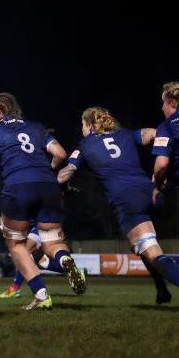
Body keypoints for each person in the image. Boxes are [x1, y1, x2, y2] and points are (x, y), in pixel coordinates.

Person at [0, 93, 85, 311]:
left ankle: (42, 296)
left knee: (16, 243)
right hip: (48, 187)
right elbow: (60, 153)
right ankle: (63, 260)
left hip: (18, 186)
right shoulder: (35, 127)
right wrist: (47, 172)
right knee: (51, 241)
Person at [58, 107, 179, 304]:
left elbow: (67, 172)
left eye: (82, 124)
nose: (81, 129)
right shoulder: (126, 134)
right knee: (140, 247)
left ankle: (165, 284)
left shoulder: (85, 145)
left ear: (89, 124)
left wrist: (63, 187)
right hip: (151, 193)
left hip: (127, 199)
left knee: (154, 253)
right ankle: (161, 289)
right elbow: (153, 134)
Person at [154, 82, 179, 219]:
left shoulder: (166, 126)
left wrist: (158, 185)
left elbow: (162, 164)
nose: (162, 107)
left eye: (164, 103)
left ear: (173, 103)